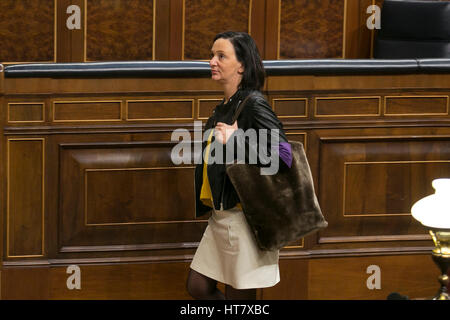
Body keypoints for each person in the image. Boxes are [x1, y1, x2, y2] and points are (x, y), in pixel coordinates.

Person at [186, 31, 292, 300]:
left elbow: (283, 155)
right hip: (222, 217)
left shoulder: (254, 104)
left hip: (246, 219)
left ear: (242, 65)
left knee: (239, 296)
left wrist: (239, 140)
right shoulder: (223, 107)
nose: (212, 61)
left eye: (221, 56)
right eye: (212, 55)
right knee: (198, 286)